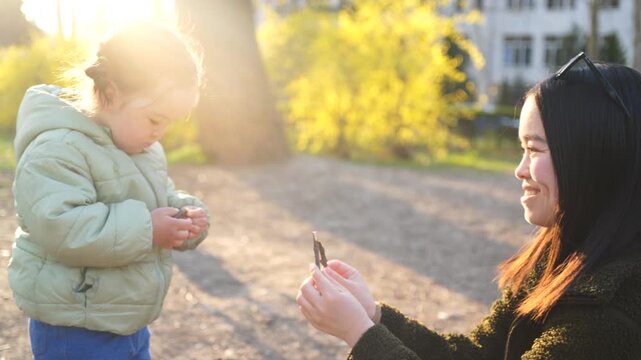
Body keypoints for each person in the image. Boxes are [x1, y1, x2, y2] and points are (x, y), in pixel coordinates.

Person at [297, 52, 641, 359]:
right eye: (522, 149)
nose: (519, 170)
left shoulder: (611, 317)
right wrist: (373, 316)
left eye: (534, 150)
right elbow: (480, 353)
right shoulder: (560, 254)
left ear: (594, 159)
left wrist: (361, 335)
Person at [8, 21, 210, 359]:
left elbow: (160, 196)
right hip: (74, 328)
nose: (161, 133)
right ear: (112, 93)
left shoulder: (141, 147)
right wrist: (148, 228)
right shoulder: (57, 148)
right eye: (155, 119)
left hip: (125, 319)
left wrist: (182, 215)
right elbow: (61, 227)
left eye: (171, 122)